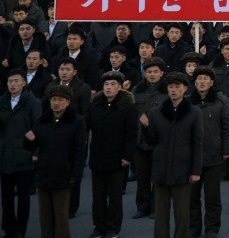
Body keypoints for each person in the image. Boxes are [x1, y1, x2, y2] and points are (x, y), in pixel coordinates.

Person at [140, 72, 203, 238]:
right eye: (170, 87)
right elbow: (151, 141)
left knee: (182, 214)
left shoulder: (194, 112)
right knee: (160, 214)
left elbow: (197, 143)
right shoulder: (156, 112)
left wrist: (196, 171)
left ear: (184, 88)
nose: (173, 90)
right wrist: (146, 127)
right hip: (160, 168)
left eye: (177, 87)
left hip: (183, 169)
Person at [25, 84, 86, 238]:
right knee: (45, 218)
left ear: (67, 102)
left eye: (60, 100)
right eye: (53, 99)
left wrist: (75, 175)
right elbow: (33, 145)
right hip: (43, 174)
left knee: (61, 218)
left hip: (64, 176)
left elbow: (80, 151)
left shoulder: (77, 121)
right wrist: (29, 141)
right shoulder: (41, 121)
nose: (56, 103)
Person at [85, 71, 139, 238]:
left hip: (118, 158)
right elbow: (85, 128)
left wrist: (127, 156)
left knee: (115, 196)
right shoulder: (94, 105)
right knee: (98, 196)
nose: (109, 88)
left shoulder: (127, 107)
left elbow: (131, 133)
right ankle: (98, 226)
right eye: (106, 85)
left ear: (120, 87)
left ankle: (113, 227)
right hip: (97, 155)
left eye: (113, 85)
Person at [188, 67, 229, 238]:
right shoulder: (187, 102)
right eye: (199, 78)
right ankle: (194, 227)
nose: (202, 81)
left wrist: (226, 150)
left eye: (205, 79)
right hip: (192, 158)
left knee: (212, 197)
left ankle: (212, 228)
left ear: (211, 82)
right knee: (192, 197)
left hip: (214, 156)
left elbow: (228, 127)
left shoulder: (221, 101)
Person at [0, 67, 42, 238]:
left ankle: (20, 230)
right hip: (5, 155)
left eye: (17, 81)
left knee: (24, 198)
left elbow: (38, 129)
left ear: (24, 83)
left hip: (25, 154)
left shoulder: (33, 103)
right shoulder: (2, 101)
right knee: (6, 197)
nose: (13, 84)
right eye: (10, 81)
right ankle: (8, 228)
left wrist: (36, 152)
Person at [131, 57, 167, 220]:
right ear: (144, 74)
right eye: (149, 72)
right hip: (140, 140)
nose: (152, 75)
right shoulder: (136, 90)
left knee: (158, 177)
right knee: (142, 177)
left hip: (160, 140)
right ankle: (142, 207)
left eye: (155, 71)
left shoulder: (167, 92)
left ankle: (156, 207)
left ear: (161, 73)